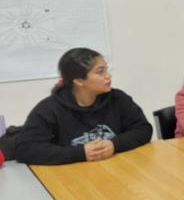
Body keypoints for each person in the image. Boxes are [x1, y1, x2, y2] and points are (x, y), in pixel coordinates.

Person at [14, 48, 152, 165]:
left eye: (106, 69)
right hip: (70, 177)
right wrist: (80, 153)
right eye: (100, 72)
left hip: (115, 168)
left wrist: (114, 145)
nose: (108, 76)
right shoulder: (49, 109)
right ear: (79, 81)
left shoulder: (118, 98)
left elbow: (143, 129)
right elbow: (24, 149)